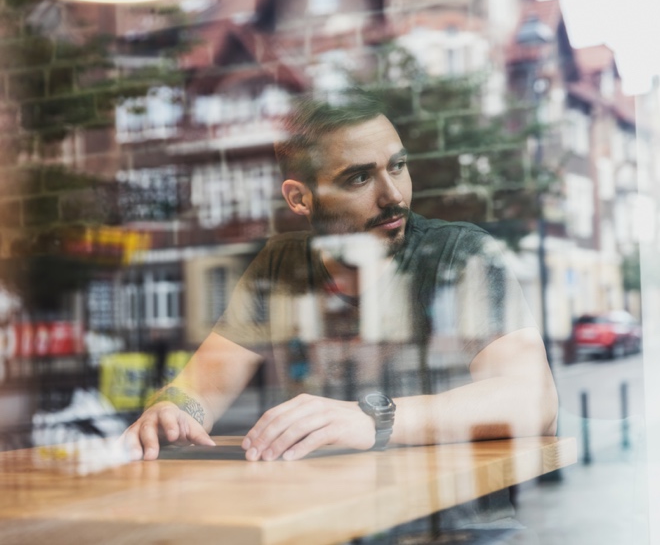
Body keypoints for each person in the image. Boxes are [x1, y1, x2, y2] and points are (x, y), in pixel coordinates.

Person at [122, 94, 558, 463]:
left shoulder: (459, 254)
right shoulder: (280, 264)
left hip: (450, 526)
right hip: (329, 519)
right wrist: (172, 410)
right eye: (360, 177)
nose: (393, 196)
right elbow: (202, 389)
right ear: (299, 198)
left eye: (398, 166)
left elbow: (533, 399)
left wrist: (372, 418)